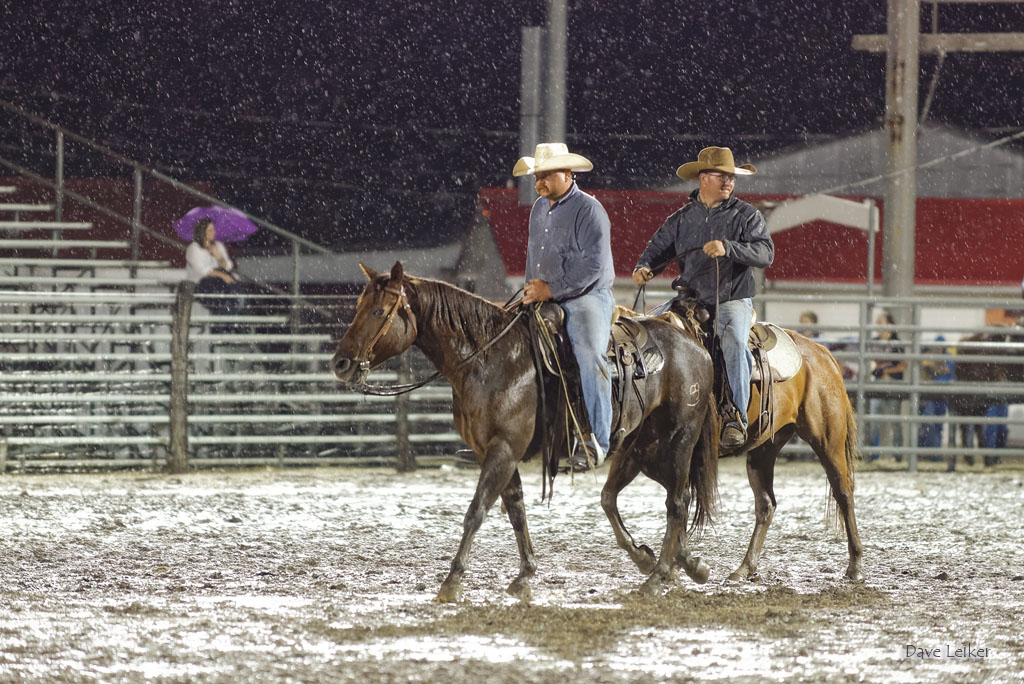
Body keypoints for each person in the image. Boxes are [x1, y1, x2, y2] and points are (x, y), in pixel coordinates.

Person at [632, 146, 774, 448]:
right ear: (703, 178)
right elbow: (657, 250)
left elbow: (765, 253)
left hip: (731, 298)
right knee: (644, 331)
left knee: (734, 342)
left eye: (731, 177)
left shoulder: (747, 216)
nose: (729, 182)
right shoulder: (681, 219)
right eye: (721, 176)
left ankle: (736, 415)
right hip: (689, 299)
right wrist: (644, 267)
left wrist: (729, 247)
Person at [514, 142, 615, 471]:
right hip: (544, 295)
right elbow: (534, 257)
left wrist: (551, 289)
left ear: (568, 174)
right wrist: (532, 288)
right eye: (537, 177)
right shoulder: (538, 209)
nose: (540, 182)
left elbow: (593, 267)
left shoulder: (589, 210)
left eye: (546, 175)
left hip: (588, 296)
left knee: (589, 355)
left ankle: (598, 441)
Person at [185, 218, 244, 315]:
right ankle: (222, 321)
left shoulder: (218, 246)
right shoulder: (194, 248)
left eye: (214, 229)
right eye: (210, 230)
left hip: (220, 282)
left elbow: (228, 267)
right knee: (221, 294)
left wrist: (219, 256)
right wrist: (223, 276)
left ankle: (227, 320)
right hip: (201, 284)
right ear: (202, 232)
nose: (214, 232)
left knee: (236, 292)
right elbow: (203, 271)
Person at [868, 310, 906, 457]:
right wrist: (876, 369)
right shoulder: (875, 342)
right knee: (873, 421)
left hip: (892, 384)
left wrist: (885, 371)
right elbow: (871, 362)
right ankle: (872, 454)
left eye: (881, 322)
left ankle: (897, 455)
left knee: (894, 421)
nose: (879, 325)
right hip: (878, 384)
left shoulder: (897, 342)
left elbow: (903, 365)